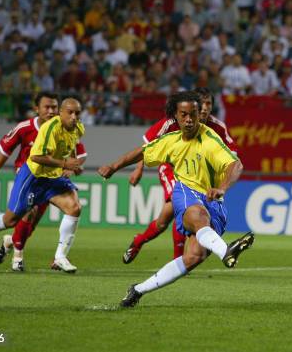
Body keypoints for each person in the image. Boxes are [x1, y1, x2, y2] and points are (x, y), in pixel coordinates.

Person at [98, 90, 254, 307]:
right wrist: (114, 166)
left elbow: (235, 165)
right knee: (197, 214)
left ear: (200, 113)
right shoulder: (170, 140)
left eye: (193, 114)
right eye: (183, 115)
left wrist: (222, 188)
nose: (189, 119)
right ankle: (225, 250)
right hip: (185, 192)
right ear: (176, 116)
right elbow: (142, 152)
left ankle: (137, 290)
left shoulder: (210, 139)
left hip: (213, 200)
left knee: (193, 257)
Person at [0, 98, 86, 273]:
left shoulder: (79, 127)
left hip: (53, 177)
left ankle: (60, 257)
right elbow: (35, 157)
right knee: (10, 220)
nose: (74, 117)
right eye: (70, 112)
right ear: (62, 113)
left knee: (74, 208)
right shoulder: (49, 128)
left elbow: (71, 145)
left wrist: (73, 162)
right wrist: (66, 163)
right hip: (33, 176)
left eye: (77, 113)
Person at [123, 87, 239, 263]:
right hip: (170, 168)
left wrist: (222, 182)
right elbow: (148, 146)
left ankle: (139, 240)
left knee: (163, 221)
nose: (206, 108)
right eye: (203, 103)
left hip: (198, 174)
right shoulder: (173, 121)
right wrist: (139, 168)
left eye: (209, 103)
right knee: (179, 206)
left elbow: (232, 157)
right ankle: (178, 258)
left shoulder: (217, 127)